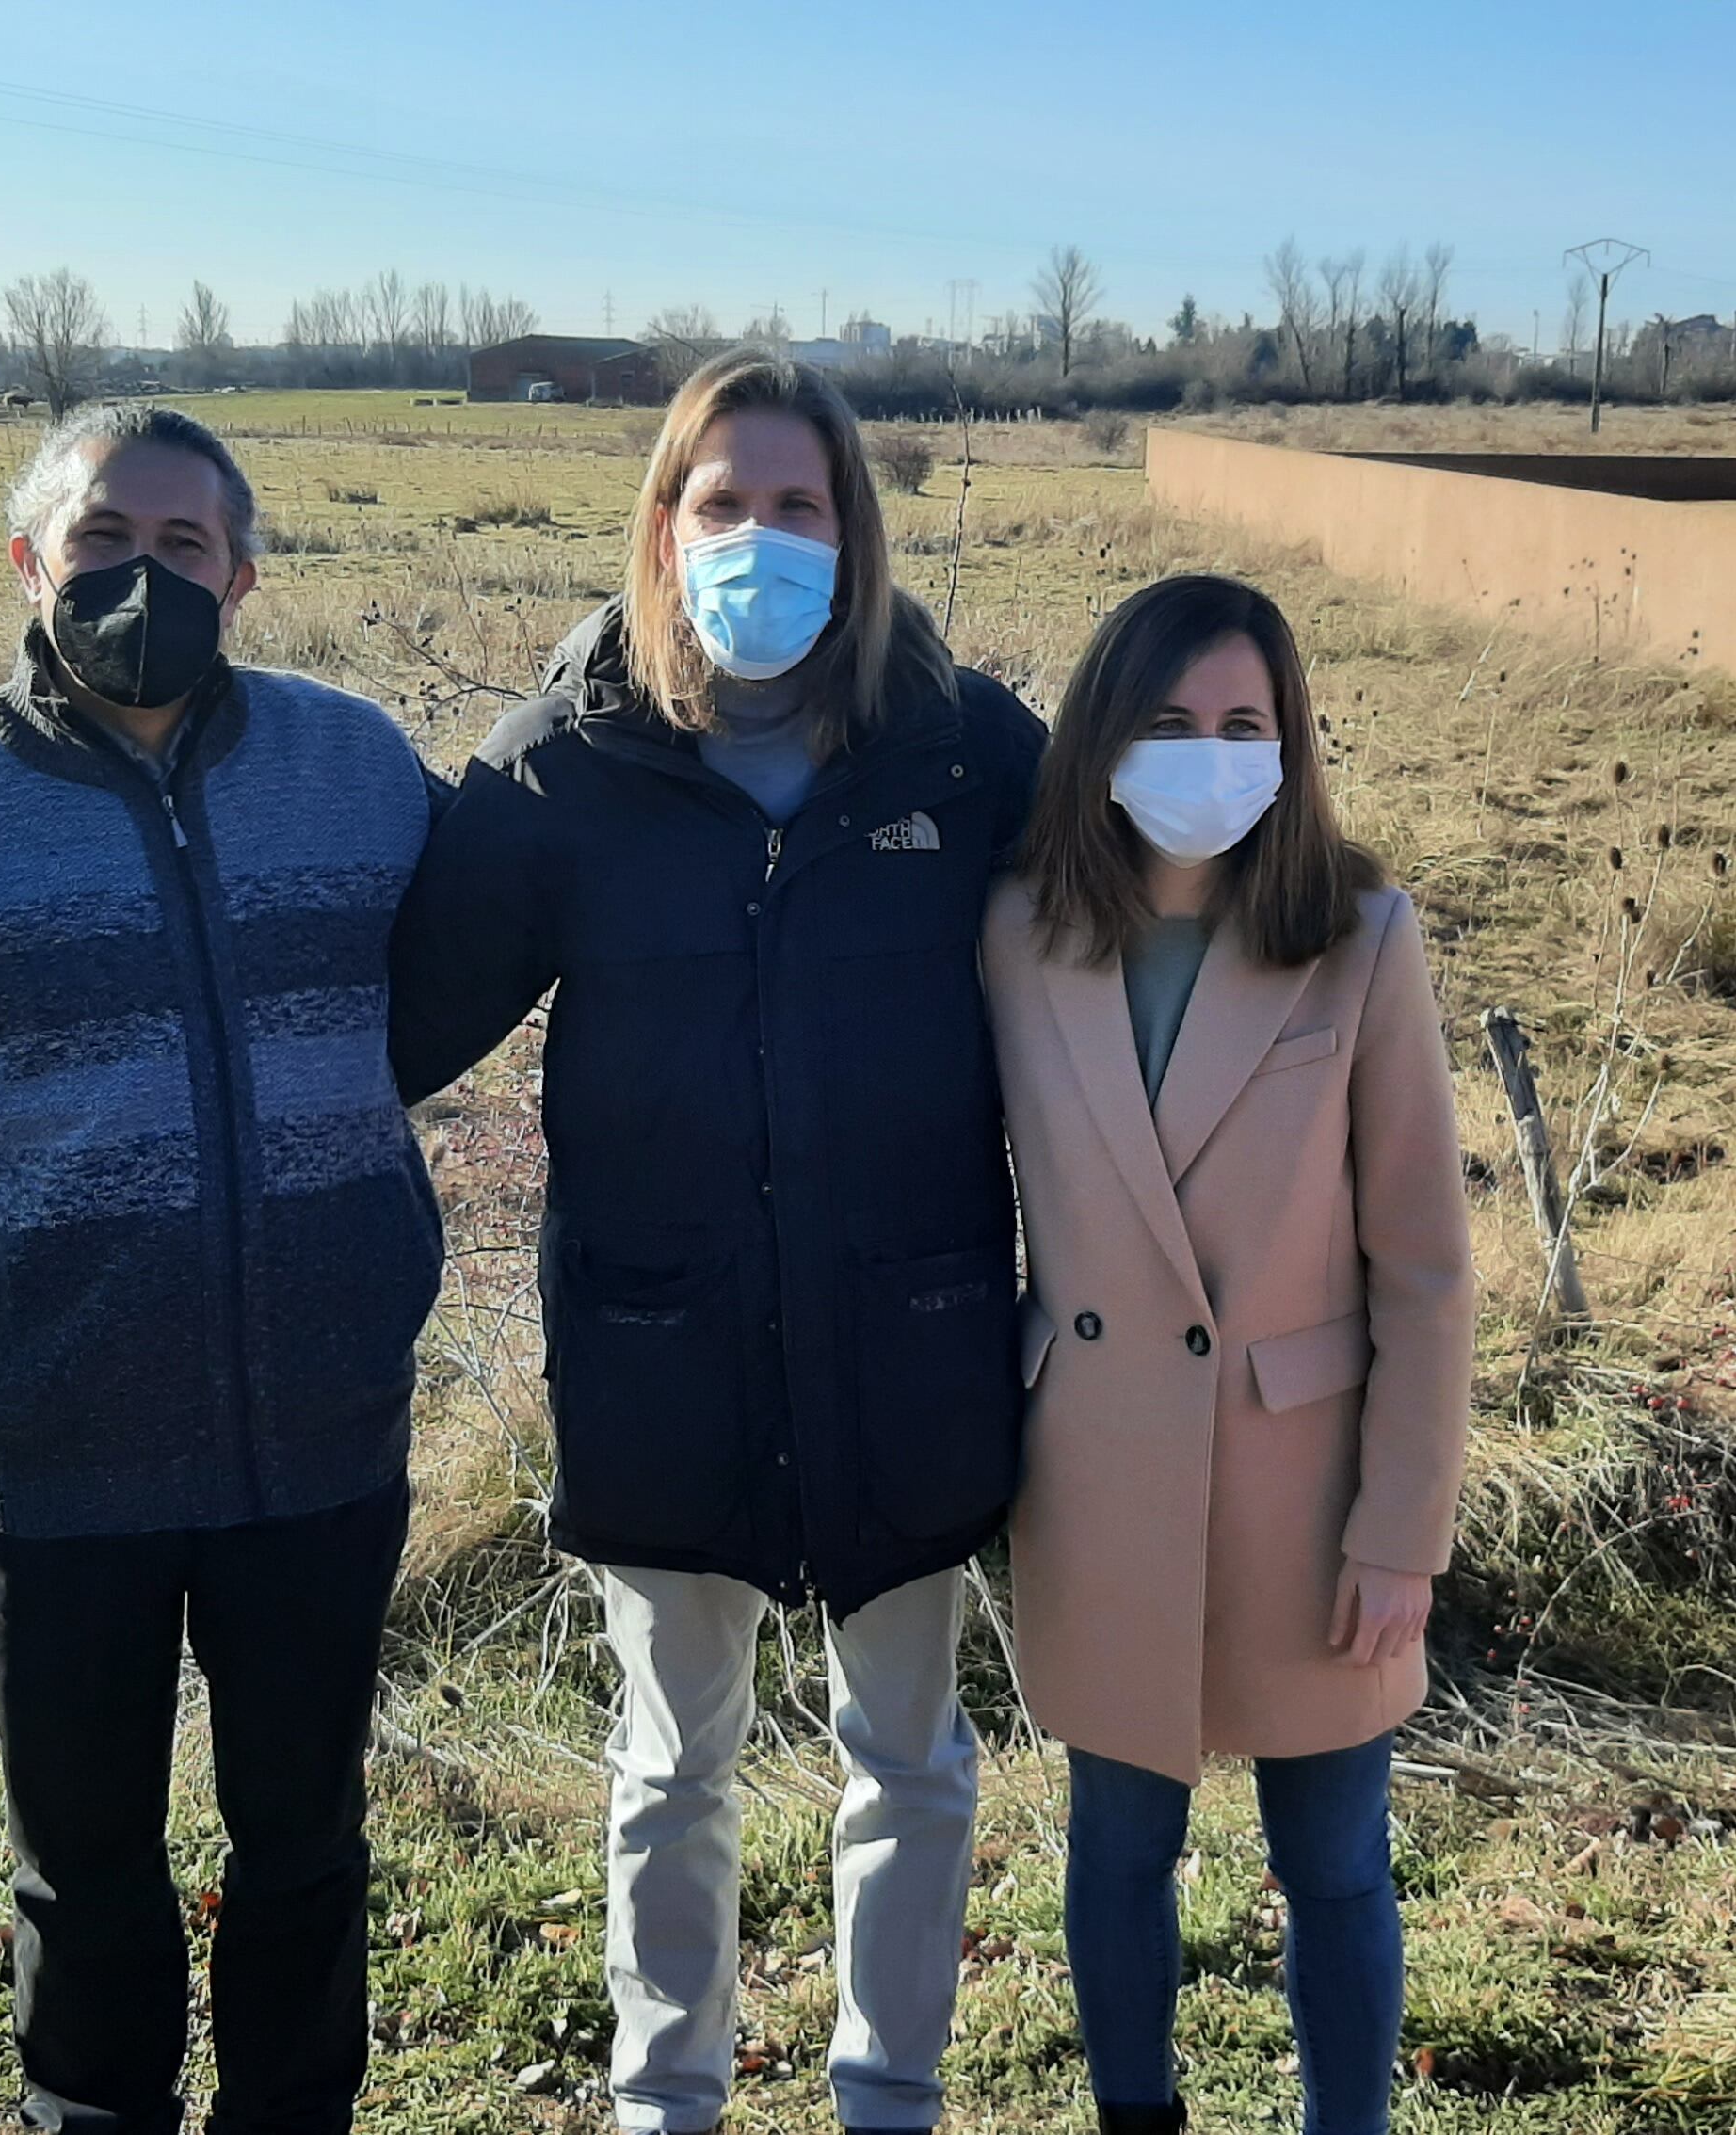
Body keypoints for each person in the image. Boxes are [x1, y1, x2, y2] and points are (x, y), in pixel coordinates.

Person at [389, 348, 1044, 2135]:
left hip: (906, 1339)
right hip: (659, 1341)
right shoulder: (566, 772)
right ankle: (665, 2096)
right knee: (672, 1762)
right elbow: (388, 1029)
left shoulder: (963, 748)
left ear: (856, 528)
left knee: (905, 1760)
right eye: (724, 503)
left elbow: (1132, 952)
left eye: (799, 504)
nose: (761, 535)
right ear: (664, 529)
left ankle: (885, 2094)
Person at [0, 402, 443, 2135]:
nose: (144, 578)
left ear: (246, 572)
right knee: (83, 1883)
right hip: (61, 1456)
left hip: (321, 1442)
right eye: (101, 543)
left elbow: (524, 913)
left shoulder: (357, 770)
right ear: (29, 560)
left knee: (306, 1853)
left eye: (185, 548)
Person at [982, 574, 1477, 2135]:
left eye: (1243, 724)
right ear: (1103, 742)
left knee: (1335, 1859)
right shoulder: (1018, 937)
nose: (1209, 754)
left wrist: (1404, 1530)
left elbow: (1426, 1264)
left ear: (1291, 742)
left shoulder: (1358, 938)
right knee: (1116, 1851)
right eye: (1171, 723)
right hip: (1101, 1471)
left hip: (1305, 1489)